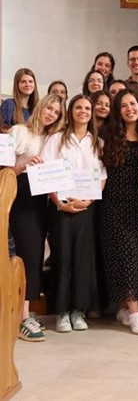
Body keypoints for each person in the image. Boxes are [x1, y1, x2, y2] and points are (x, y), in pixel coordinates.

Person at [40, 94, 107, 333]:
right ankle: (62, 311)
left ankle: (78, 310)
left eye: (87, 108)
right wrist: (59, 203)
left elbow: (102, 176)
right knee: (62, 256)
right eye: (78, 107)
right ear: (70, 111)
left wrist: (89, 200)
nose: (83, 111)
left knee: (83, 258)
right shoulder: (56, 139)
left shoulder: (97, 142)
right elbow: (46, 174)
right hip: (61, 207)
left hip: (86, 208)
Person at [7, 94, 65, 341]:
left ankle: (25, 311)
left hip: (42, 199)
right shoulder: (20, 131)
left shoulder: (52, 139)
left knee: (37, 254)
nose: (51, 114)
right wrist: (24, 165)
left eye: (56, 112)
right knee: (28, 254)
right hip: (22, 194)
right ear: (40, 106)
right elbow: (4, 170)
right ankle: (23, 318)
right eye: (49, 108)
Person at [100, 90, 138, 335]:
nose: (129, 109)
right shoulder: (107, 136)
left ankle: (127, 307)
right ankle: (134, 313)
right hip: (115, 205)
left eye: (133, 104)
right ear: (117, 110)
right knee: (126, 256)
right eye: (123, 105)